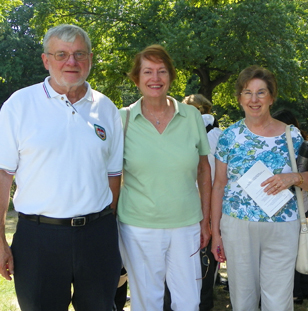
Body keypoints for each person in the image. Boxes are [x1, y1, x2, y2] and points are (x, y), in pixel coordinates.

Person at [0, 24, 123, 311]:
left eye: (78, 54)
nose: (71, 62)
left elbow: (114, 176)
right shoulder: (19, 105)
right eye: (61, 54)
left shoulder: (106, 108)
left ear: (90, 59)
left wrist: (107, 230)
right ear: (46, 60)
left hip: (97, 236)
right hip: (38, 239)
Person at [210, 65, 308, 311]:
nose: (254, 99)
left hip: (282, 227)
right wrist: (216, 232)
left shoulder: (291, 136)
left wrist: (293, 177)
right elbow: (218, 186)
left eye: (261, 92)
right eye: (247, 92)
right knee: (243, 299)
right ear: (239, 98)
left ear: (271, 97)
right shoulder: (229, 136)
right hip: (238, 225)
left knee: (278, 302)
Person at [117, 44, 212, 311]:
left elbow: (204, 170)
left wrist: (204, 221)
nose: (155, 78)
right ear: (136, 78)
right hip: (137, 227)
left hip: (186, 226)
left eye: (161, 71)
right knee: (147, 302)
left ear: (170, 76)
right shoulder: (122, 119)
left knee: (189, 302)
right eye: (147, 71)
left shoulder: (192, 116)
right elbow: (111, 175)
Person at [163, 94, 222, 311]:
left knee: (172, 276)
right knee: (204, 274)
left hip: (179, 211)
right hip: (212, 212)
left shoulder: (177, 133)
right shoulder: (222, 136)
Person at [272, 109, 308, 305]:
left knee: (293, 251)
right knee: (298, 248)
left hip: (294, 204)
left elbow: (306, 175)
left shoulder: (299, 146)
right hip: (296, 204)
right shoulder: (302, 143)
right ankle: (303, 289)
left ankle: (297, 291)